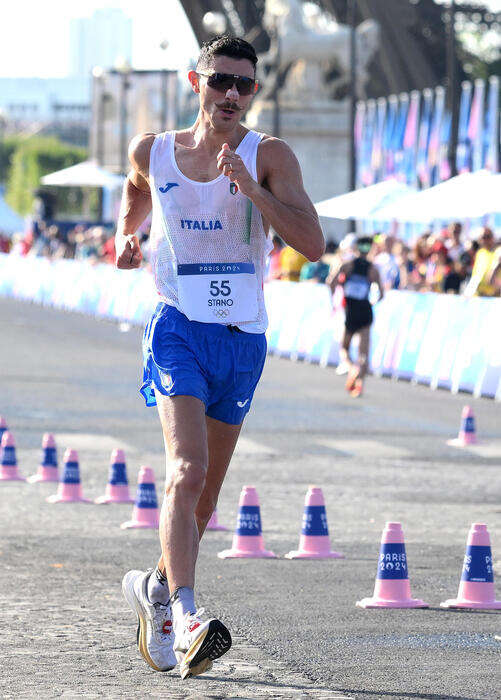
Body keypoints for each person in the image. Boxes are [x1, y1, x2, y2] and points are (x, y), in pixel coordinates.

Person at [115, 35, 324, 680]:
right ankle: (186, 616)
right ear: (195, 82)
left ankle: (154, 586)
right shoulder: (155, 150)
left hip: (241, 337)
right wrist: (128, 233)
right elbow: (136, 189)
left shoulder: (270, 156)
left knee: (204, 498)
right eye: (220, 81)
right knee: (186, 468)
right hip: (178, 325)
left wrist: (252, 191)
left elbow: (313, 244)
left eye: (245, 85)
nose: (232, 94)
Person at [328, 235, 383, 397]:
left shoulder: (347, 265)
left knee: (344, 348)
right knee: (363, 353)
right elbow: (381, 294)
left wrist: (335, 301)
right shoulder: (373, 269)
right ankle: (359, 385)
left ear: (357, 248)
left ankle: (352, 368)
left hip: (351, 311)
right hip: (365, 311)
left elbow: (331, 282)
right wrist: (371, 303)